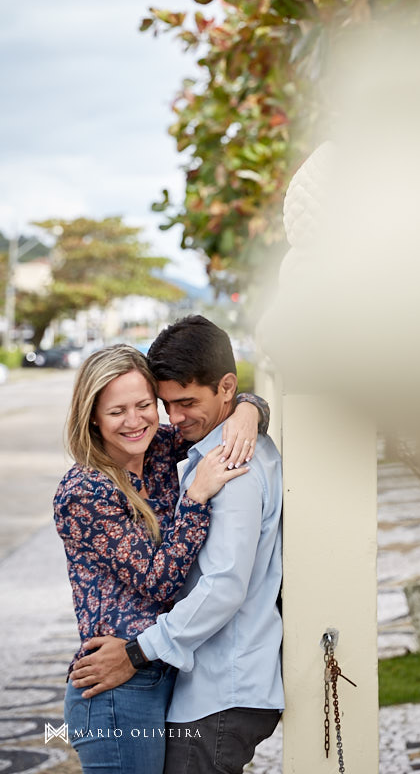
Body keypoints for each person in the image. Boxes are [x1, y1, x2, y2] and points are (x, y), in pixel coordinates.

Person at [69, 316, 284, 774]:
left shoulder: (214, 456)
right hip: (118, 685)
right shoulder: (90, 488)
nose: (170, 418)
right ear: (92, 416)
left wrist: (249, 407)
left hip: (196, 680)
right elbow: (157, 579)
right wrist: (196, 495)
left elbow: (222, 585)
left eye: (148, 405)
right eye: (166, 404)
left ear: (225, 387)